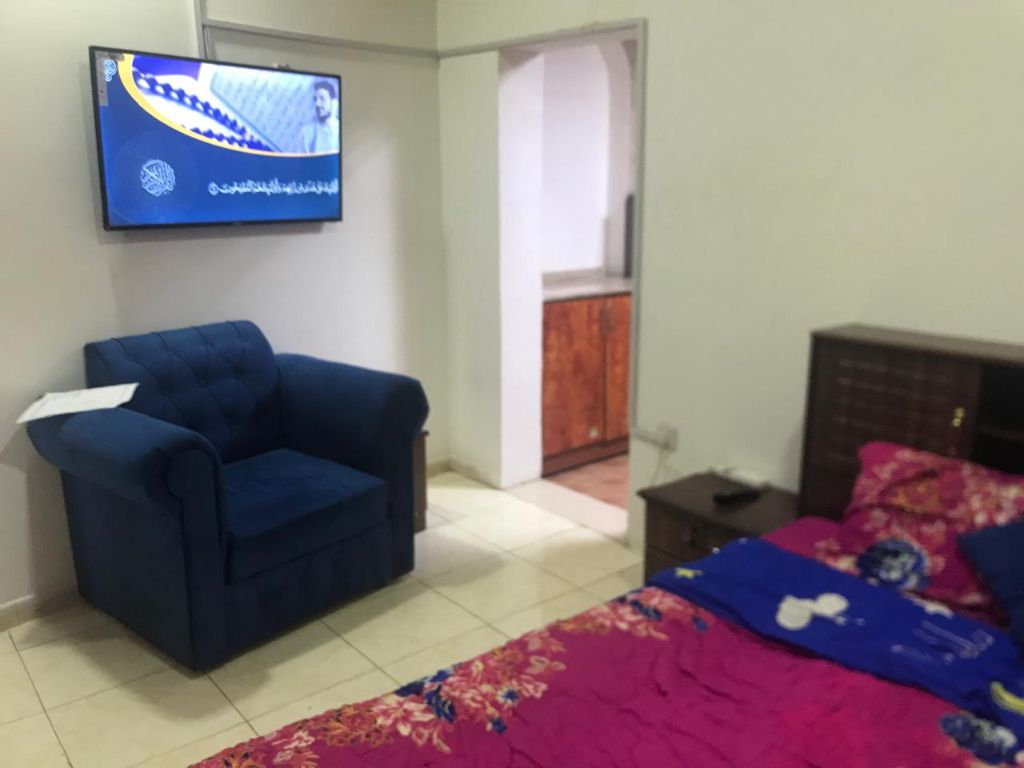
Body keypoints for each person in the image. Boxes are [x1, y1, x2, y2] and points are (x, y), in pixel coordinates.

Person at [300, 80, 340, 153]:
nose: (317, 104)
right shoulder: (306, 132)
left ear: (334, 102)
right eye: (315, 99)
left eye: (322, 98)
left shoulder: (343, 129)